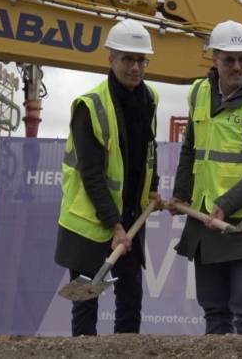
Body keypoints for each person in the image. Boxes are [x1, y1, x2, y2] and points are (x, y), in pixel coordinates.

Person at [169, 20, 242, 335]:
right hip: (205, 217)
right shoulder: (199, 93)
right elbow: (191, 149)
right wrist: (181, 193)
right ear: (214, 59)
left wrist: (226, 203)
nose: (237, 67)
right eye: (229, 60)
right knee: (214, 309)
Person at [53, 19, 159, 336]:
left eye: (141, 60)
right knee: (85, 303)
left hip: (129, 219)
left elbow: (147, 154)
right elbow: (92, 175)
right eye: (127, 59)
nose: (135, 67)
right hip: (89, 223)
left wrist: (152, 189)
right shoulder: (91, 106)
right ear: (110, 59)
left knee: (130, 300)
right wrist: (115, 226)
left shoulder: (150, 98)